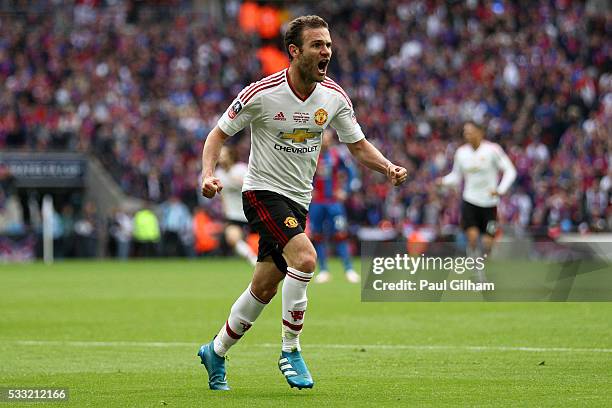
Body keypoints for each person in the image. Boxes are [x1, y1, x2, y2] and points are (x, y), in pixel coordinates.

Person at [197, 15, 408, 391]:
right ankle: (290, 350)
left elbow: (357, 145)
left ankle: (216, 350)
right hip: (261, 192)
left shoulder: (334, 97)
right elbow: (217, 134)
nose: (326, 51)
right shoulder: (261, 93)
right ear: (294, 52)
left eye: (327, 44)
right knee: (306, 259)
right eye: (317, 45)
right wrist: (207, 174)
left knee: (264, 287)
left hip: (299, 200)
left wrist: (387, 166)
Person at [436, 121, 517, 280]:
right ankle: (477, 272)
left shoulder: (493, 150)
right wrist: (443, 181)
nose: (467, 135)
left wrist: (500, 190)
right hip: (470, 201)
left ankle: (484, 267)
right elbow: (456, 176)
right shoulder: (461, 153)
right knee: (472, 238)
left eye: (470, 131)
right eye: (465, 132)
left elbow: (510, 171)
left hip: (490, 204)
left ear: (480, 132)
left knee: (488, 244)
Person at [310, 129, 359, 283]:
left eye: (327, 137)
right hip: (317, 203)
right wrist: (308, 190)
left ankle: (349, 269)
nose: (324, 139)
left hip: (334, 203)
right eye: (322, 136)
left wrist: (345, 190)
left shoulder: (337, 155)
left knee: (341, 234)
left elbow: (352, 173)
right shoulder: (310, 154)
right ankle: (324, 270)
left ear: (331, 139)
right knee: (317, 235)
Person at [215, 145, 258, 266]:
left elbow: (252, 187)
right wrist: (225, 211)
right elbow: (223, 195)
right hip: (233, 214)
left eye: (224, 155)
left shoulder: (241, 169)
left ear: (231, 156)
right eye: (220, 156)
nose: (221, 158)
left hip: (250, 211)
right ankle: (252, 257)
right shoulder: (218, 174)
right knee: (232, 238)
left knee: (268, 238)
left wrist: (239, 181)